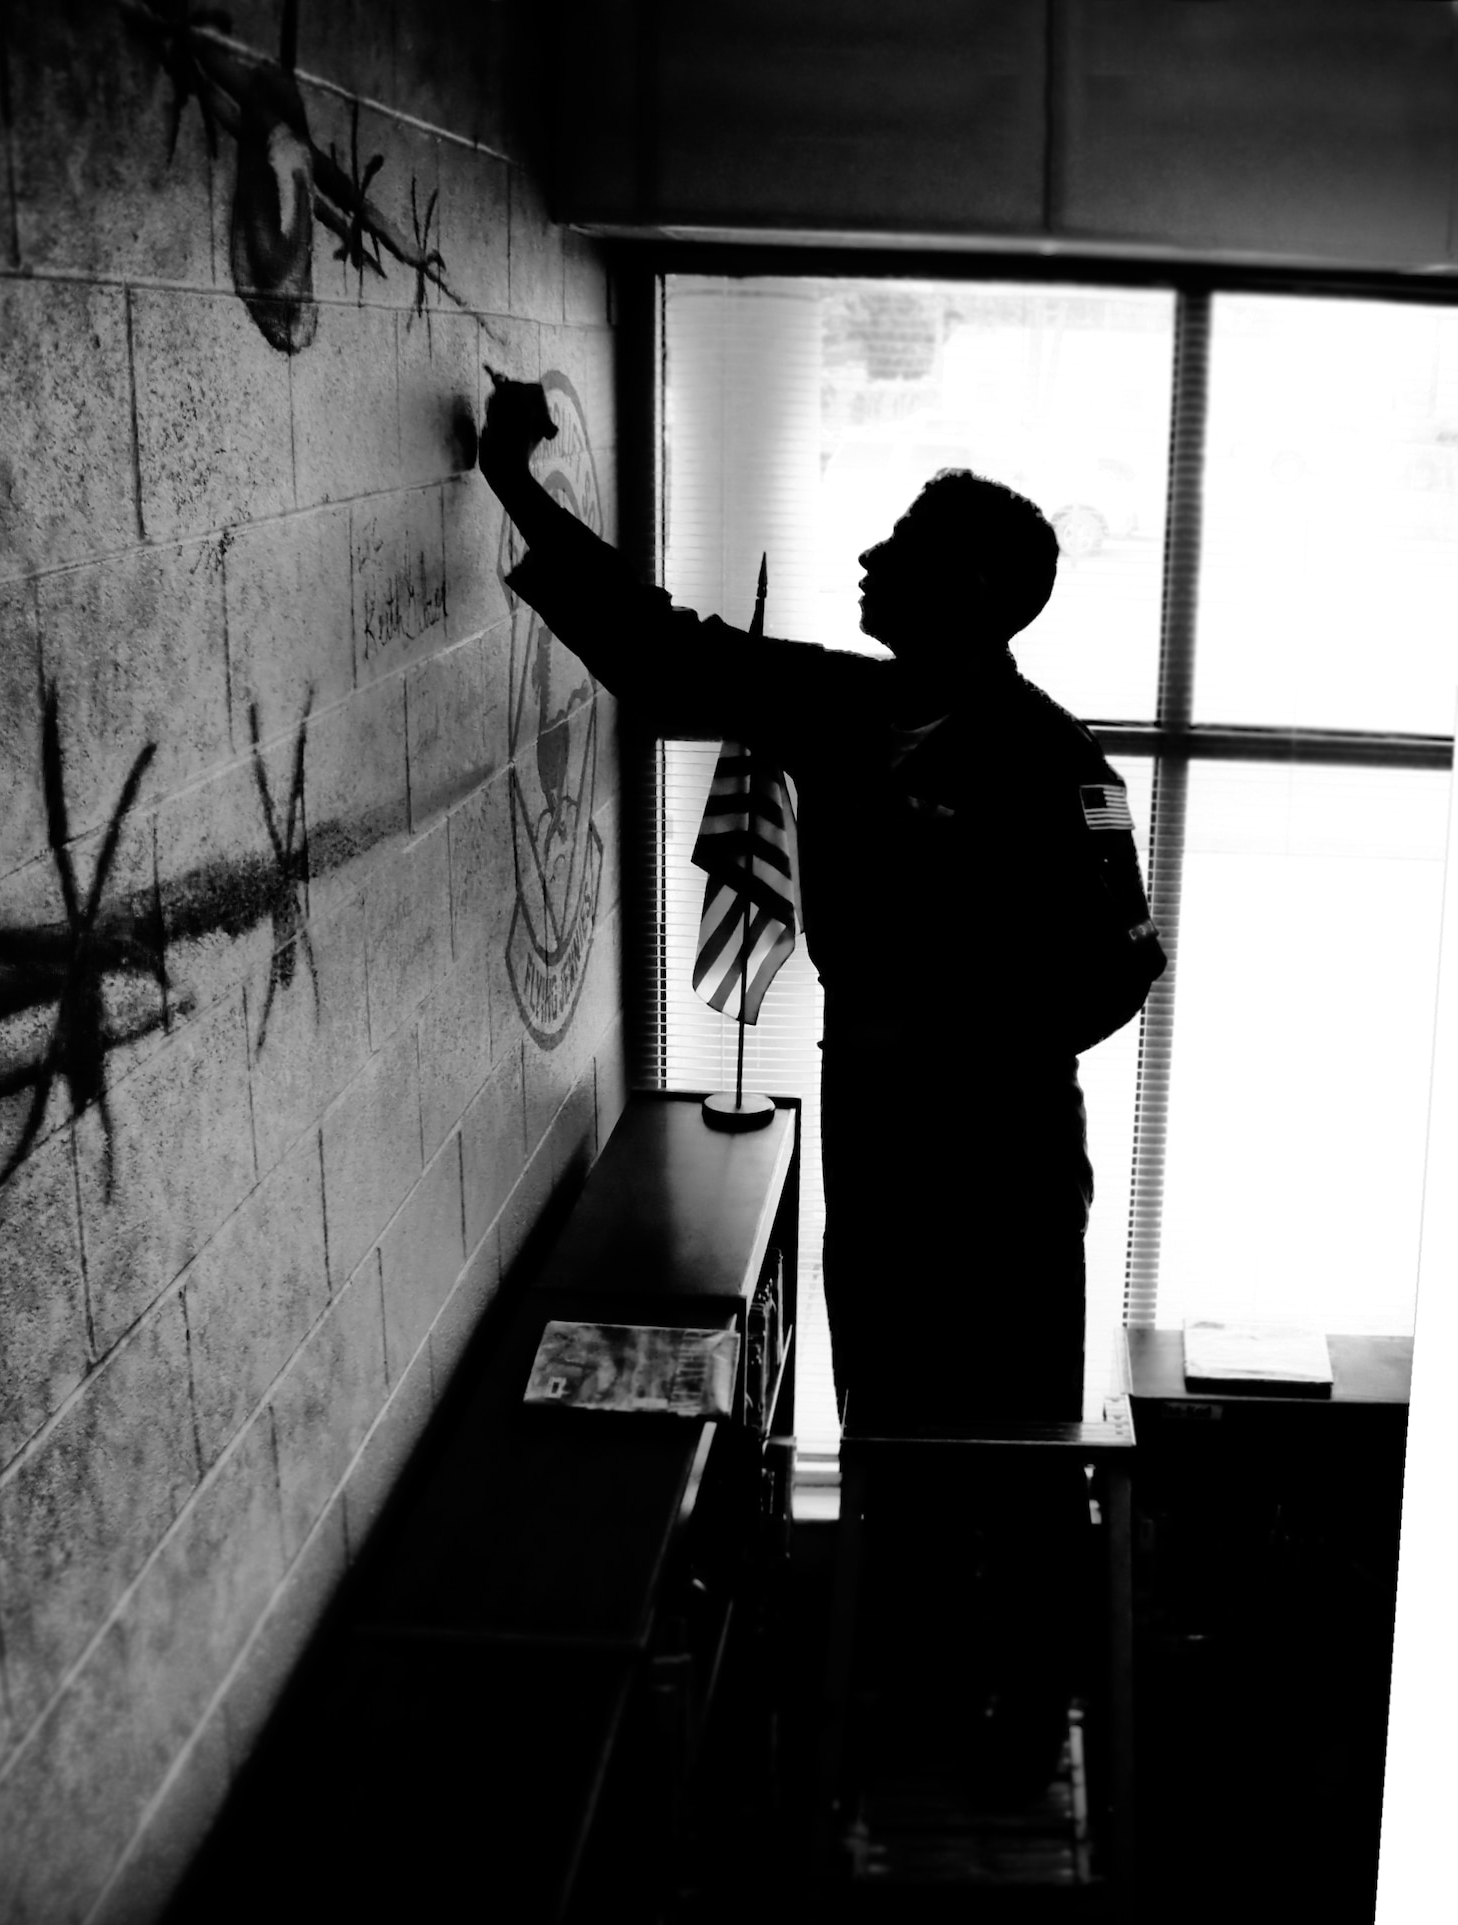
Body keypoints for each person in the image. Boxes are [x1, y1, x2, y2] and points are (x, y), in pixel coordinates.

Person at [478, 374, 1165, 1793]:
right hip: (881, 1137)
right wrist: (518, 490)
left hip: (1003, 1162)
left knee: (1015, 1447)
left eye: (901, 546)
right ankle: (904, 1722)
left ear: (973, 594)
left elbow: (1118, 970)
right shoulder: (846, 706)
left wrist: (953, 1029)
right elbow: (667, 655)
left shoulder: (1059, 766)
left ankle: (1024, 1739)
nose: (866, 557)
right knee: (893, 1433)